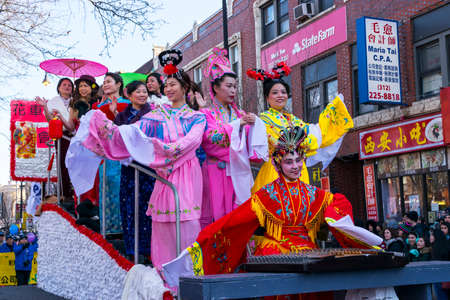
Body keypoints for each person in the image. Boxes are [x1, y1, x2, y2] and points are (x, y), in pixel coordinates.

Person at [163, 126, 382, 300]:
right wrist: (200, 245)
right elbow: (234, 222)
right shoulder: (266, 195)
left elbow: (335, 207)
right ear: (278, 165)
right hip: (274, 250)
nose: (295, 166)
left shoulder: (315, 194)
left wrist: (332, 221)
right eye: (288, 162)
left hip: (308, 251)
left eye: (298, 160)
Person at [66, 49, 206, 269]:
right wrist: (103, 126)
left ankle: (190, 279)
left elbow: (192, 141)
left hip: (186, 175)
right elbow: (132, 133)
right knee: (162, 228)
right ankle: (165, 280)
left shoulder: (197, 116)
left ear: (185, 87)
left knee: (187, 226)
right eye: (166, 85)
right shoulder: (157, 115)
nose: (168, 89)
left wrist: (161, 149)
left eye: (173, 85)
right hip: (164, 176)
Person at [247, 62, 353, 193]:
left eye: (283, 92)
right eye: (275, 92)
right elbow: (281, 143)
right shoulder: (263, 120)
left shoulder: (293, 119)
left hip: (299, 171)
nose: (280, 95)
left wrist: (332, 112)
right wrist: (304, 143)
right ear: (267, 97)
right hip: (276, 171)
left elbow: (314, 133)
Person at [200, 47, 267, 225]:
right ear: (215, 87)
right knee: (218, 218)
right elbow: (210, 138)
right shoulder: (206, 114)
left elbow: (248, 144)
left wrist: (253, 126)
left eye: (235, 87)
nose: (233, 91)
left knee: (239, 216)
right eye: (229, 86)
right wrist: (239, 125)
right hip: (215, 171)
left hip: (237, 170)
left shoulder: (240, 114)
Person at [114, 80, 155, 260]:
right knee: (130, 206)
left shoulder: (154, 114)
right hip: (130, 168)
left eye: (144, 91)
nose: (142, 94)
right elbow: (115, 139)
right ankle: (132, 248)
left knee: (148, 207)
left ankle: (150, 248)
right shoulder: (121, 117)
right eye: (137, 92)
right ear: (129, 95)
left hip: (149, 167)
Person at [92, 72, 131, 235]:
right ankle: (108, 227)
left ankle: (124, 227)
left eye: (109, 82)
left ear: (118, 84)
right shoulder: (98, 108)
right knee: (105, 187)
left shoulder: (128, 104)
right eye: (104, 82)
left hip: (123, 153)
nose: (105, 84)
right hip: (104, 154)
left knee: (121, 187)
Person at [35, 78, 75, 205]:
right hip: (62, 136)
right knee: (63, 164)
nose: (67, 87)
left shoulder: (76, 101)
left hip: (77, 135)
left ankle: (77, 192)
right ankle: (66, 194)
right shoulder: (53, 101)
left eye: (70, 85)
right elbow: (50, 119)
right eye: (64, 85)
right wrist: (45, 107)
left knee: (77, 164)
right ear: (58, 87)